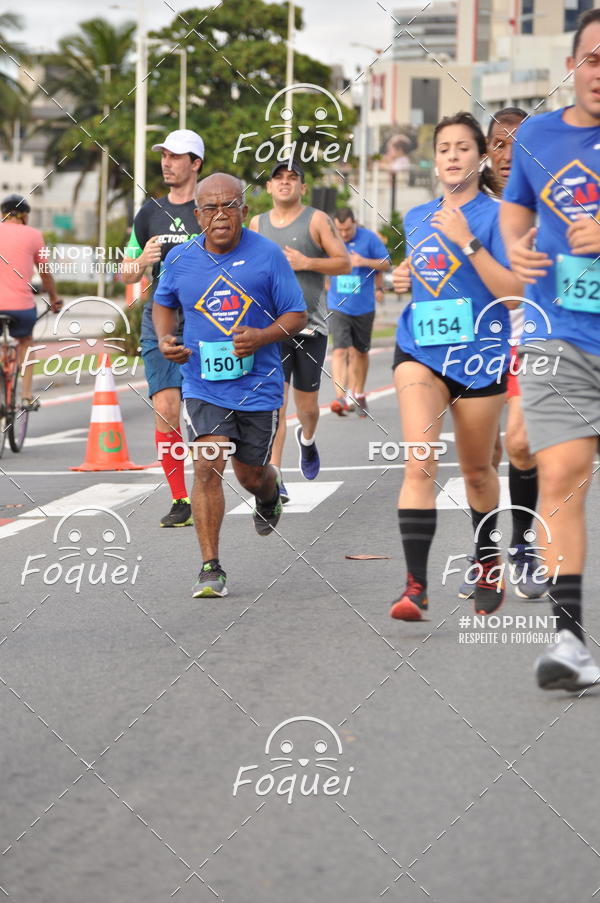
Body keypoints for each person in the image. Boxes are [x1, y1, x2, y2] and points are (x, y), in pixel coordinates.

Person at [500, 7, 600, 690]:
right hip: (558, 331)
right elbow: (517, 204)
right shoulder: (536, 136)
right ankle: (570, 640)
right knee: (561, 472)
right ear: (572, 66)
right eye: (593, 58)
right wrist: (515, 243)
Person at [389, 111, 523, 621]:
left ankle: (488, 560)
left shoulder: (502, 215)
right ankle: (415, 588)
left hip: (480, 358)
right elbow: (430, 277)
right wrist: (403, 278)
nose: (451, 156)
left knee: (477, 472)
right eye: (443, 148)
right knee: (420, 459)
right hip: (420, 350)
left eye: (462, 148)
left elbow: (515, 295)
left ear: (481, 156)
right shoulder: (416, 217)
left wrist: (468, 240)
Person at [153, 173, 307, 598]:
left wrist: (261, 337)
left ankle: (268, 493)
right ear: (197, 215)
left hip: (259, 385)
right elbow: (163, 303)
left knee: (251, 475)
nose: (220, 215)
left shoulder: (267, 255)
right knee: (207, 465)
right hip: (202, 384)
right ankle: (211, 567)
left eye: (229, 206)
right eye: (210, 208)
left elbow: (296, 315)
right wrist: (166, 339)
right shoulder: (180, 259)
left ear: (244, 210)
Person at [458, 107, 546, 602]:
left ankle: (524, 546)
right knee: (484, 457)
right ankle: (485, 554)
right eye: (499, 143)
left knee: (520, 444)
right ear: (487, 151)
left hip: (535, 336)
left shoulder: (552, 200)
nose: (509, 154)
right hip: (481, 342)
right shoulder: (470, 204)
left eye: (519, 143)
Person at [248, 161, 350, 501]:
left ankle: (307, 439)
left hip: (310, 327)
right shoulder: (257, 224)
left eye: (292, 178)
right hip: (271, 329)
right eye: (278, 178)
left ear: (302, 188)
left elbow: (344, 262)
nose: (285, 182)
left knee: (307, 408)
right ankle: (275, 477)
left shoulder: (317, 220)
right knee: (275, 406)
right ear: (269, 187)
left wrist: (307, 263)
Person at [122, 129, 204, 527]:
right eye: (164, 156)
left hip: (207, 318)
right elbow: (125, 270)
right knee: (166, 409)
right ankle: (180, 498)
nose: (166, 163)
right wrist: (142, 261)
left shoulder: (210, 207)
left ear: (196, 163)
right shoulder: (149, 211)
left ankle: (217, 484)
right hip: (160, 317)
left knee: (209, 412)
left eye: (176, 157)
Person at [0, 194, 62, 408]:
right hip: (21, 307)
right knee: (25, 341)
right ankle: (26, 396)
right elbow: (45, 274)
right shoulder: (34, 235)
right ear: (24, 216)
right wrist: (53, 298)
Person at [327, 208, 390, 417]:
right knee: (340, 350)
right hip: (338, 305)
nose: (343, 234)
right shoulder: (330, 239)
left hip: (363, 306)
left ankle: (359, 393)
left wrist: (363, 261)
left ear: (354, 223)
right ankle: (340, 397)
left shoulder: (369, 239)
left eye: (347, 229)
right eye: (339, 230)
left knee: (360, 352)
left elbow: (386, 263)